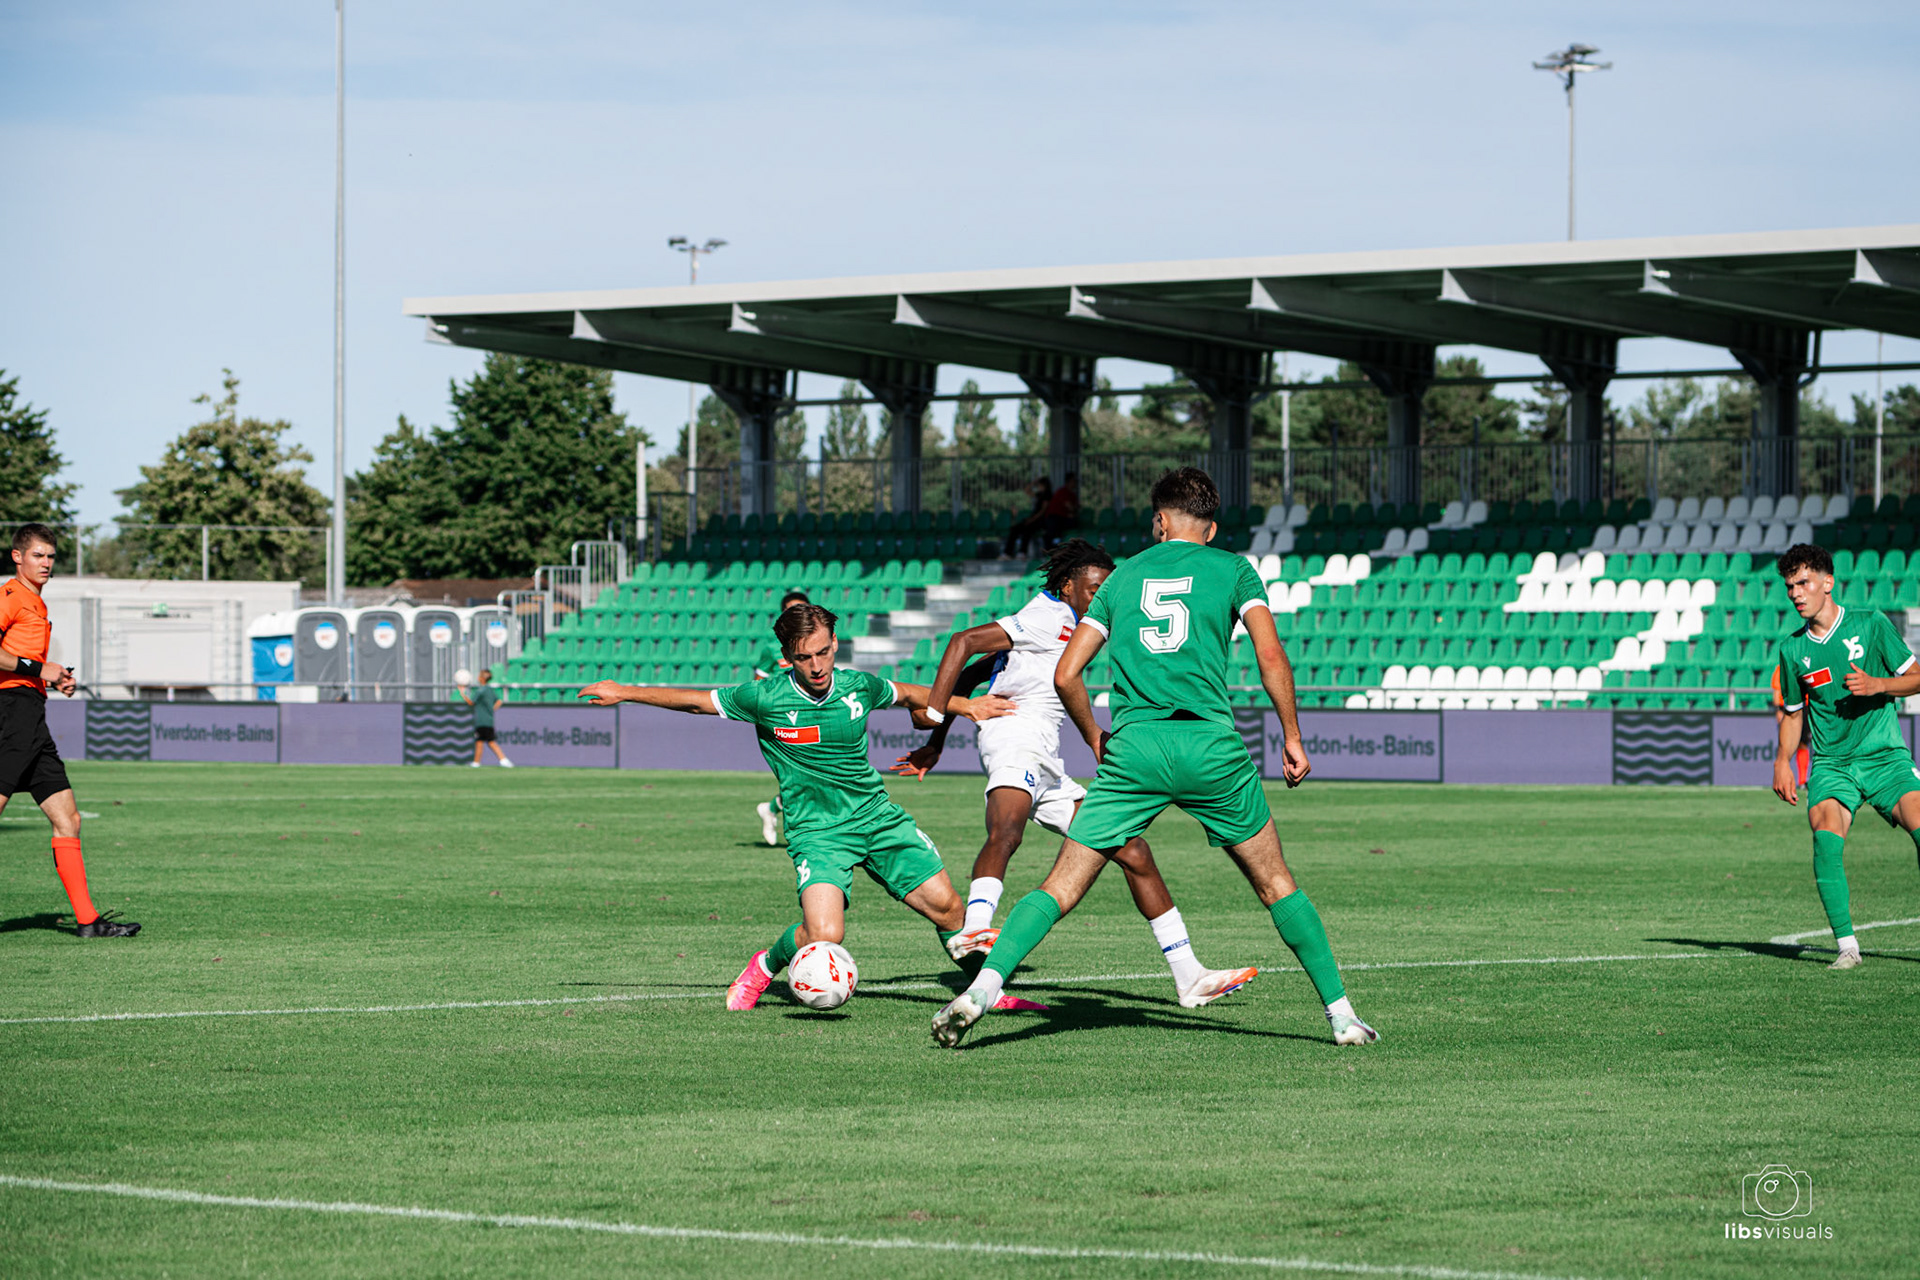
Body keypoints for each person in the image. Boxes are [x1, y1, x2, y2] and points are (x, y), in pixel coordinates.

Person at [931, 467, 1375, 1048]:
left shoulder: (1122, 579)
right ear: (1210, 528)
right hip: (1210, 746)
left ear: (1159, 521)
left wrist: (1094, 734)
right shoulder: (1236, 569)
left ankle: (981, 990)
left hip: (1135, 751)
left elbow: (1068, 673)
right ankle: (1341, 1016)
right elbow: (1271, 656)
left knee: (1061, 885)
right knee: (1275, 883)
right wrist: (1291, 735)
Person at [578, 603, 1046, 1013]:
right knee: (825, 932)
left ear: (835, 644)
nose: (817, 665)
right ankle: (763, 966)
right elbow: (698, 703)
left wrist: (965, 704)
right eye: (804, 657)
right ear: (788, 657)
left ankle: (986, 990)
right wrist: (625, 690)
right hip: (818, 832)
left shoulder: (858, 686)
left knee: (948, 909)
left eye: (824, 652)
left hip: (876, 819)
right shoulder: (764, 697)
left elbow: (905, 693)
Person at [891, 537, 1258, 1008]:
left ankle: (1188, 975)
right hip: (1015, 736)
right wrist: (937, 717)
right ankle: (975, 930)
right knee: (1006, 830)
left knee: (1134, 851)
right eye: (1092, 588)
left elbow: (974, 673)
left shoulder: (1063, 624)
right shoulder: (1046, 615)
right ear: (1067, 586)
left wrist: (933, 744)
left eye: (1106, 587)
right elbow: (963, 642)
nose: (1099, 596)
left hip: (1047, 759)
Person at [1769, 542, 1920, 971]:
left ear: (1827, 582)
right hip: (1833, 765)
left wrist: (1879, 685)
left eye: (1804, 582)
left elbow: (1916, 678)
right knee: (1824, 832)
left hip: (1884, 756)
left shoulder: (1870, 625)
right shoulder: (1793, 649)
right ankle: (1847, 946)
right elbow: (1794, 715)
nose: (1796, 592)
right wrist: (1783, 761)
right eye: (1789, 587)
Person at [0, 524, 139, 937]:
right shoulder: (10, 597)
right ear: (17, 557)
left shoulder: (35, 603)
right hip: (11, 715)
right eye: (37, 555)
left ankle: (87, 922)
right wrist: (38, 669)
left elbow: (22, 661)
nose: (45, 563)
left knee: (68, 819)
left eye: (50, 556)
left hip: (31, 716)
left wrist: (52, 678)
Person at [751, 589, 811, 845]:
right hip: (783, 718)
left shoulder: (817, 642)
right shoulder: (771, 646)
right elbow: (759, 681)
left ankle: (772, 809)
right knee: (804, 775)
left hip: (812, 714)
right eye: (791, 610)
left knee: (809, 777)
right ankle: (805, 832)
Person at [460, 668, 512, 768]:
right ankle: (480, 762)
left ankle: (500, 760)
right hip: (489, 720)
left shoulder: (481, 690)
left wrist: (462, 693)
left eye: (480, 676)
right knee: (484, 742)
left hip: (481, 720)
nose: (478, 678)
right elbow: (499, 701)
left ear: (482, 678)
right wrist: (491, 710)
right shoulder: (490, 690)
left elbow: (471, 702)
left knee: (485, 742)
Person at [1004, 476, 1054, 559]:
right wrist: (1033, 482)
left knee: (1027, 529)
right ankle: (1007, 553)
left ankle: (1022, 552)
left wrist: (1032, 519)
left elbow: (1042, 511)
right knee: (1015, 529)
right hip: (1032, 519)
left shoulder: (1048, 495)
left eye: (1039, 485)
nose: (1038, 487)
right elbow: (1027, 491)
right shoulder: (1040, 494)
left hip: (1040, 521)